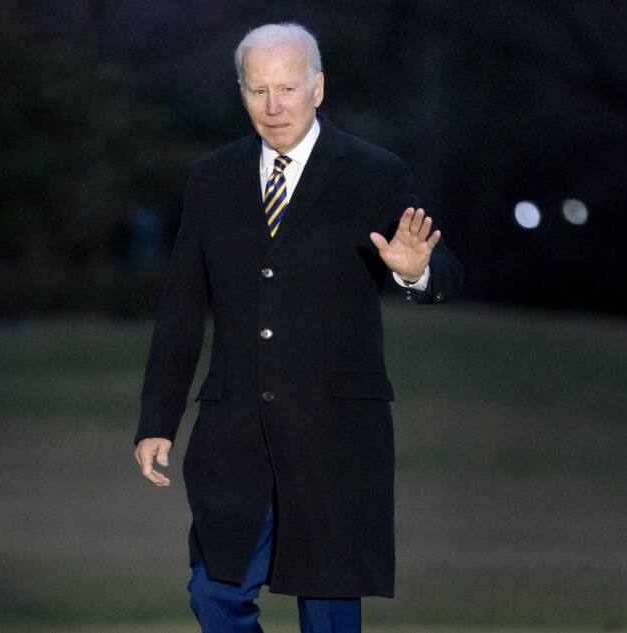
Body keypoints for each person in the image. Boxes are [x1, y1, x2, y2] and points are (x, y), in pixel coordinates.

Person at [133, 22, 463, 633]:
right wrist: (157, 420)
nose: (273, 105)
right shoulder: (213, 177)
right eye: (257, 90)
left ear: (319, 88)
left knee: (330, 615)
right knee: (215, 598)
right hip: (235, 435)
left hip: (334, 438)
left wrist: (415, 273)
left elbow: (443, 269)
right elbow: (182, 307)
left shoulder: (374, 172)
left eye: (287, 87)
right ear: (242, 93)